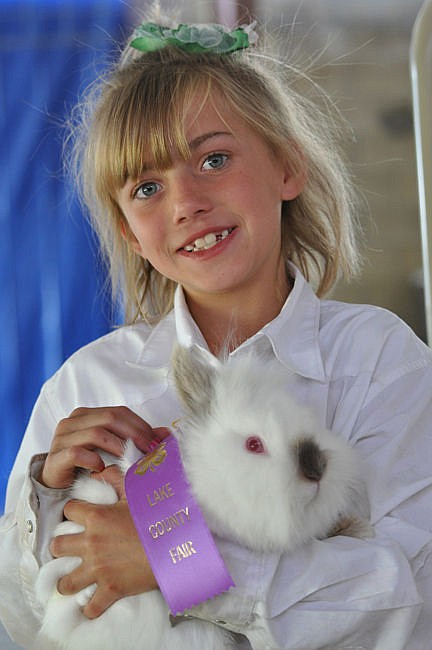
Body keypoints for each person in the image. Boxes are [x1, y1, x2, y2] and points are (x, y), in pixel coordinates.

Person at [1, 10, 432, 650]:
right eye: (147, 186)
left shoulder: (378, 359)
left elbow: (412, 593)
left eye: (214, 158)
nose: (184, 203)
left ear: (287, 167)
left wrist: (182, 563)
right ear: (129, 234)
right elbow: (20, 624)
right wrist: (44, 509)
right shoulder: (87, 382)